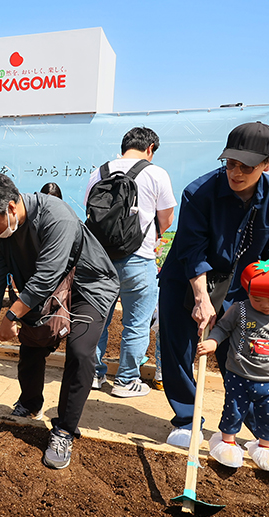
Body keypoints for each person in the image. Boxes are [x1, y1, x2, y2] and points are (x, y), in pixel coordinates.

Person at [158, 121, 269, 468]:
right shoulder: (199, 192)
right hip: (186, 278)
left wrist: (264, 301)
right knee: (180, 348)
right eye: (231, 163)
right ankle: (187, 420)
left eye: (246, 166)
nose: (236, 172)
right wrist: (201, 298)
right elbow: (193, 250)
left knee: (242, 355)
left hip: (243, 286)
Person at [0, 173, 119, 470]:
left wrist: (11, 315)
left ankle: (64, 429)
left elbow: (47, 274)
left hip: (89, 284)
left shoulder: (56, 216)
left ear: (10, 207)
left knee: (82, 351)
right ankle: (30, 403)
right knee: (33, 342)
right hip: (42, 288)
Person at [85, 127, 175, 397]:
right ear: (150, 149)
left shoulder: (98, 172)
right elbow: (167, 219)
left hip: (100, 260)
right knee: (136, 322)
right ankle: (126, 380)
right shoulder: (156, 173)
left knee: (99, 319)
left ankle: (92, 375)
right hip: (139, 258)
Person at [199, 260, 269, 473]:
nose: (264, 305)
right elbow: (222, 328)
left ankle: (266, 447)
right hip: (239, 374)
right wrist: (213, 340)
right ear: (247, 292)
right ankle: (228, 442)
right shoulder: (240, 310)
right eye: (256, 299)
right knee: (234, 410)